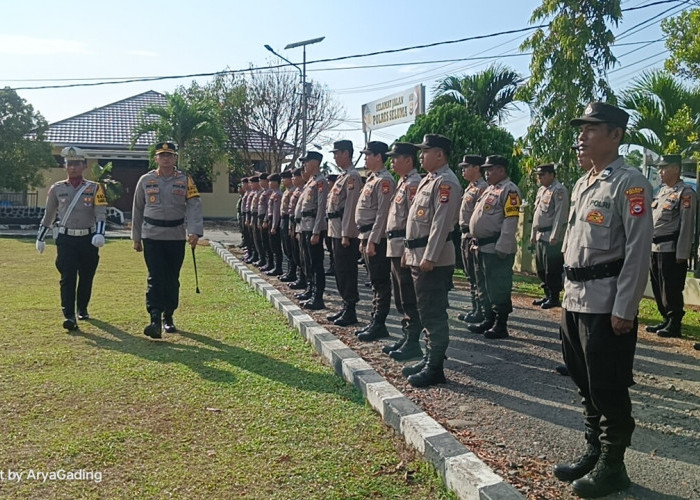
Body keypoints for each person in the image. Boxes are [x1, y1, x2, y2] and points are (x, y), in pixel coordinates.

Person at [554, 103, 652, 498]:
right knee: (585, 383)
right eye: (582, 128)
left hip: (605, 303)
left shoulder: (630, 184)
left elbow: (638, 251)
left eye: (592, 128)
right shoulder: (584, 183)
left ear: (615, 135)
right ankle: (594, 451)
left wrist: (624, 309)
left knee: (608, 387)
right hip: (575, 299)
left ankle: (614, 466)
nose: (582, 134)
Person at [402, 134, 461, 387]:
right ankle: (429, 358)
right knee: (424, 310)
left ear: (440, 154)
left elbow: (441, 224)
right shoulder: (429, 180)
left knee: (433, 313)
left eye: (426, 151)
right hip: (419, 255)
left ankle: (435, 367)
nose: (421, 155)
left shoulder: (447, 182)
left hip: (433, 260)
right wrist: (409, 254)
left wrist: (429, 257)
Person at [132, 142, 204, 339]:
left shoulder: (185, 180)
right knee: (155, 276)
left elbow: (194, 205)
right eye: (162, 155)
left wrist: (195, 231)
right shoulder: (145, 180)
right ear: (156, 158)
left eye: (169, 155)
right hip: (152, 235)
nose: (166, 158)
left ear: (175, 158)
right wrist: (136, 237)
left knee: (172, 278)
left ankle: (169, 316)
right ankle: (154, 318)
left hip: (175, 236)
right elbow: (137, 209)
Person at [36, 146, 107, 331]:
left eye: (77, 164)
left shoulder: (94, 188)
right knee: (67, 277)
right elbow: (49, 214)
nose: (73, 168)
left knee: (86, 276)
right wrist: (41, 237)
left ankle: (82, 307)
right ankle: (69, 315)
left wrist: (99, 233)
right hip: (66, 239)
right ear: (65, 166)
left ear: (84, 165)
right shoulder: (57, 189)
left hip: (88, 239)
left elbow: (100, 213)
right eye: (69, 164)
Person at [467, 155, 522, 339]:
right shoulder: (490, 189)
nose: (487, 173)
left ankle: (501, 324)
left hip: (495, 247)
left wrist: (503, 246)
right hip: (480, 246)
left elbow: (510, 220)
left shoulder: (509, 189)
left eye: (491, 169)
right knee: (483, 285)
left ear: (502, 170)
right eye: (486, 169)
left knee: (498, 286)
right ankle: (488, 319)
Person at [646, 154, 697, 338]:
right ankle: (666, 319)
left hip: (671, 248)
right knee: (658, 286)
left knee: (671, 288)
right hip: (655, 247)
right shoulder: (661, 192)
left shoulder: (686, 193)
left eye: (664, 168)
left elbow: (687, 225)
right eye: (659, 168)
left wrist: (682, 252)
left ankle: (674, 322)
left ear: (675, 169)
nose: (660, 172)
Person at [383, 142, 424, 360]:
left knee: (408, 294)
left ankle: (413, 341)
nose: (392, 161)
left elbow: (413, 221)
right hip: (394, 245)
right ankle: (406, 335)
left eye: (395, 157)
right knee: (400, 295)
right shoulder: (403, 182)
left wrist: (408, 251)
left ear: (408, 160)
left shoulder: (414, 184)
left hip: (404, 246)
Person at [355, 141, 396, 341]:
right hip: (366, 235)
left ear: (378, 156)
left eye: (368, 154)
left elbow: (382, 213)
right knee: (374, 282)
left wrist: (372, 240)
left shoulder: (385, 181)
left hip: (376, 237)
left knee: (380, 282)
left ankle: (379, 323)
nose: (365, 158)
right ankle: (375, 320)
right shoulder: (373, 179)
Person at [325, 140, 363, 326]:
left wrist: (347, 233)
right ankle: (345, 305)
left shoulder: (353, 177)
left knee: (347, 271)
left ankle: (351, 309)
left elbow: (350, 207)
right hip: (335, 229)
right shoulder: (343, 176)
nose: (334, 157)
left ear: (346, 153)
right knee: (339, 270)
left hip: (344, 232)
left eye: (337, 153)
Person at [530, 163, 569, 309]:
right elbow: (537, 214)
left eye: (542, 175)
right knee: (540, 268)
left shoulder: (559, 190)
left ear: (552, 175)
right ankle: (546, 294)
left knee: (552, 268)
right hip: (540, 234)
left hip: (551, 236)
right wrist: (533, 233)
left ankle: (554, 297)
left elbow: (560, 214)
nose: (539, 178)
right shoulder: (542, 190)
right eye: (538, 175)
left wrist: (555, 235)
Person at [456, 154, 487, 324]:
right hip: (464, 235)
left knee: (477, 276)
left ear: (477, 168)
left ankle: (481, 310)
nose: (463, 170)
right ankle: (475, 308)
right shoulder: (470, 187)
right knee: (470, 275)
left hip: (472, 236)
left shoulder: (482, 188)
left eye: (466, 167)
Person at [297, 151, 328, 310]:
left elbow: (322, 208)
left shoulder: (321, 182)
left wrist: (316, 232)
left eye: (306, 161)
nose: (304, 164)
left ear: (315, 163)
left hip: (314, 227)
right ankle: (310, 290)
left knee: (316, 264)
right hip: (305, 226)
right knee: (308, 262)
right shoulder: (311, 182)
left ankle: (318, 297)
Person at [288, 168, 307, 291]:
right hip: (294, 222)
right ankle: (298, 276)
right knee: (293, 251)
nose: (293, 179)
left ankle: (303, 279)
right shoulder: (296, 191)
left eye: (296, 176)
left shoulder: (305, 190)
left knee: (303, 256)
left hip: (304, 224)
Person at [278, 170, 297, 282]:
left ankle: (292, 272)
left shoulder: (294, 191)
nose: (283, 181)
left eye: (285, 178)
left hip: (290, 220)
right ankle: (289, 271)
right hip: (283, 219)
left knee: (290, 247)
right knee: (285, 246)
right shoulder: (286, 191)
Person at [265, 173, 284, 276]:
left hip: (275, 221)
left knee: (276, 246)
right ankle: (272, 265)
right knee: (271, 245)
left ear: (277, 183)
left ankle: (278, 267)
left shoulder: (278, 195)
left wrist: (274, 226)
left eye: (271, 181)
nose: (269, 183)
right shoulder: (273, 193)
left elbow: (276, 212)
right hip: (271, 220)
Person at [324, 173, 338, 277]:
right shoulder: (329, 193)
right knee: (329, 246)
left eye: (329, 181)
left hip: (334, 223)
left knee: (333, 248)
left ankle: (334, 266)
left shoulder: (335, 192)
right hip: (328, 222)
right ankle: (332, 265)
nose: (327, 183)